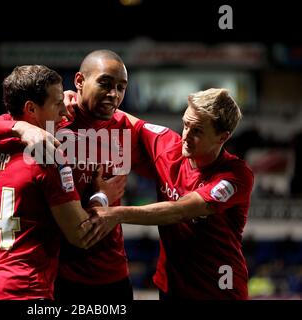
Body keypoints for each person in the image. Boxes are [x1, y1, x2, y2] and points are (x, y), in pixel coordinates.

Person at [0, 50, 152, 302]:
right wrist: (102, 197)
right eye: (58, 102)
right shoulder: (49, 158)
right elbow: (80, 236)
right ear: (31, 109)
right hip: (27, 291)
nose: (65, 109)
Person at [85, 88, 254, 300]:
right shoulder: (167, 145)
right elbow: (126, 120)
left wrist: (115, 214)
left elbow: (179, 211)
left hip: (217, 291)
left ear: (223, 137)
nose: (186, 136)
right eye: (185, 125)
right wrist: (77, 99)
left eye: (198, 131)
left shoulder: (235, 175)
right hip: (170, 287)